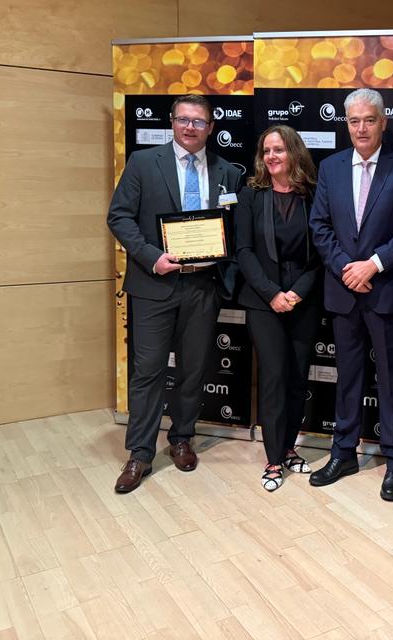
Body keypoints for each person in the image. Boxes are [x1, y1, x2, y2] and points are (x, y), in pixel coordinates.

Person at [107, 94, 244, 493]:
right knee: (148, 371)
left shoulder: (227, 172)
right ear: (171, 122)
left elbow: (235, 229)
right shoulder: (142, 162)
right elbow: (119, 216)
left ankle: (181, 437)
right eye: (183, 119)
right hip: (154, 284)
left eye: (199, 121)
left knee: (193, 369)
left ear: (211, 128)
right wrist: (152, 257)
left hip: (203, 286)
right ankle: (140, 454)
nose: (190, 127)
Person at [308, 88, 393, 501]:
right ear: (346, 124)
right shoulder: (331, 167)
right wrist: (347, 268)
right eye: (354, 121)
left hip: (385, 290)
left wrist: (373, 265)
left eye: (369, 120)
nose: (361, 128)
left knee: (392, 379)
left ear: (383, 122)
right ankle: (344, 453)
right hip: (343, 290)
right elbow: (319, 225)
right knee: (348, 377)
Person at [236, 125, 321, 492]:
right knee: (273, 377)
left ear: (294, 153)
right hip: (262, 301)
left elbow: (321, 254)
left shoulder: (313, 195)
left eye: (279, 150)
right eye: (266, 150)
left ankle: (288, 447)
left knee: (298, 378)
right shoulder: (251, 195)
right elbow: (243, 251)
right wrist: (272, 294)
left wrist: (297, 293)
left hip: (303, 300)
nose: (271, 156)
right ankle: (273, 459)